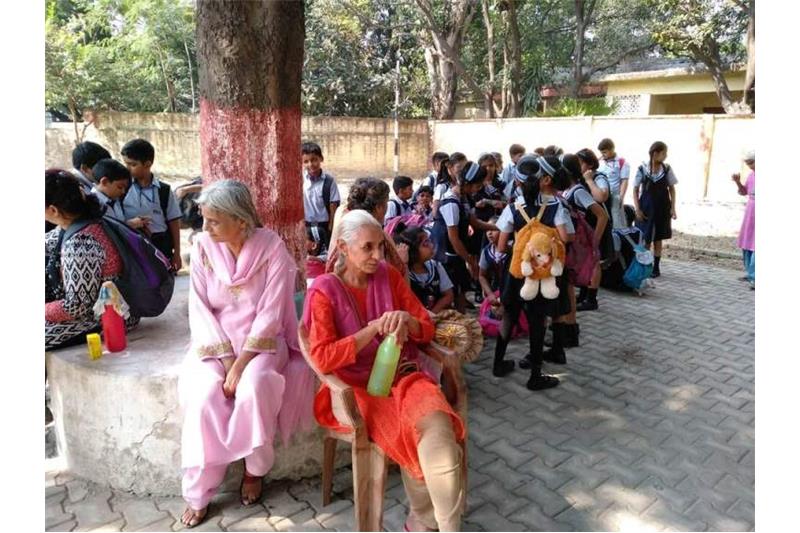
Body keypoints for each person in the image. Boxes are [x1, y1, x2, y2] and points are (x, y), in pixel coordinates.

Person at [303, 209, 466, 532]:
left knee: (438, 430)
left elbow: (426, 329)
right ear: (344, 248)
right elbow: (322, 358)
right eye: (368, 248)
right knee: (416, 436)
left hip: (404, 376)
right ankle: (424, 520)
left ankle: (438, 525)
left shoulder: (389, 277)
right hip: (357, 390)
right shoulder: (323, 291)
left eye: (381, 246)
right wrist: (372, 330)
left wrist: (408, 321)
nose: (378, 255)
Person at [178, 180, 314, 527]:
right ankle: (200, 489)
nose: (204, 227)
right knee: (206, 395)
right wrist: (225, 360)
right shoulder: (204, 247)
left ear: (240, 220)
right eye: (204, 219)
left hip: (262, 344)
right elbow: (200, 308)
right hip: (215, 342)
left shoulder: (272, 248)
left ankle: (255, 470)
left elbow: (271, 313)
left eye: (213, 220)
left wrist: (240, 364)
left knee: (254, 388)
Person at [493, 155, 573, 386]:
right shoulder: (554, 204)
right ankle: (535, 376)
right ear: (541, 181)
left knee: (509, 314)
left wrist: (520, 247)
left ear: (517, 183)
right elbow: (565, 238)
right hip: (542, 272)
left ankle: (498, 363)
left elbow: (500, 245)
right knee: (537, 320)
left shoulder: (512, 207)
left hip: (517, 271)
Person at [45, 169, 140, 350]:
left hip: (109, 317)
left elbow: (77, 306)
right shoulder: (82, 222)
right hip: (104, 309)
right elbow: (47, 243)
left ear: (53, 210)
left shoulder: (80, 244)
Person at [430, 162, 497, 313]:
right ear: (467, 183)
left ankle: (462, 323)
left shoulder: (464, 198)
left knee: (460, 290)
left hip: (457, 252)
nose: (479, 188)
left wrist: (498, 227)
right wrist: (470, 261)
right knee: (449, 292)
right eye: (478, 185)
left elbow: (474, 222)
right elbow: (454, 239)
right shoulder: (450, 203)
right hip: (446, 254)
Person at [559, 154, 609, 348]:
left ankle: (588, 301)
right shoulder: (567, 190)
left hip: (582, 240)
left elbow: (601, 215)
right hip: (575, 241)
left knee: (582, 274)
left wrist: (593, 240)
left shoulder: (578, 191)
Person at [120, 138, 183, 272]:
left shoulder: (164, 191)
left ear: (147, 164)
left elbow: (173, 222)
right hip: (133, 244)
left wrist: (177, 253)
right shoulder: (122, 189)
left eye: (132, 164)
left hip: (160, 244)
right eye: (126, 163)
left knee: (163, 284)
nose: (127, 168)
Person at [326, 177, 408, 275]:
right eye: (386, 203)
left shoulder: (342, 214)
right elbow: (400, 278)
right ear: (379, 207)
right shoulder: (380, 238)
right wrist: (404, 262)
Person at [573, 149, 613, 312]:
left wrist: (589, 180)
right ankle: (583, 293)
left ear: (589, 164)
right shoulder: (579, 179)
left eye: (580, 163)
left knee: (595, 261)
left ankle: (591, 298)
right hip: (586, 225)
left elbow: (601, 196)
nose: (578, 166)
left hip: (598, 225)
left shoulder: (599, 177)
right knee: (586, 261)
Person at [632, 141, 678, 278]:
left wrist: (673, 208)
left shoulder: (667, 169)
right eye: (664, 153)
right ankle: (645, 264)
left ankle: (656, 267)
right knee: (646, 237)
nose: (666, 156)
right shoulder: (642, 169)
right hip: (646, 208)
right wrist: (637, 209)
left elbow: (672, 189)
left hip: (662, 207)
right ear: (655, 153)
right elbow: (635, 190)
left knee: (658, 237)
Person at [395, 225, 455, 313]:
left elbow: (449, 295)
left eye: (429, 241)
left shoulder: (435, 266)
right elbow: (405, 299)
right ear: (412, 251)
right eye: (425, 244)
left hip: (436, 315)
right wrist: (404, 264)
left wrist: (432, 314)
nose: (431, 245)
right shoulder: (403, 272)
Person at [302, 142, 341, 239]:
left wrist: (332, 226)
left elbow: (333, 205)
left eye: (314, 160)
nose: (310, 164)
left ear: (321, 159)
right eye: (306, 161)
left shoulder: (329, 181)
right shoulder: (300, 180)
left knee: (327, 251)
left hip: (324, 225)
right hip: (306, 225)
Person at [733, 150, 755, 289]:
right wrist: (737, 182)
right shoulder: (752, 175)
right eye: (747, 163)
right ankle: (750, 272)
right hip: (750, 211)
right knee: (747, 241)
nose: (749, 166)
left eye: (751, 162)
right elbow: (743, 192)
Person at [597, 138, 631, 229]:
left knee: (617, 220)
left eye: (605, 152)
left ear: (612, 149)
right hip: (602, 195)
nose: (603, 155)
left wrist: (621, 196)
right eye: (601, 153)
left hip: (614, 195)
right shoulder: (599, 162)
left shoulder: (621, 162)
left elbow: (624, 180)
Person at [90, 158, 131, 223]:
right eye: (120, 187)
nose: (123, 192)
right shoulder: (93, 205)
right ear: (104, 182)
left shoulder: (113, 200)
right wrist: (129, 225)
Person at [432, 152, 467, 217]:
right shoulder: (442, 187)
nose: (462, 170)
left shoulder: (465, 186)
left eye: (465, 167)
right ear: (450, 168)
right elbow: (435, 212)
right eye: (459, 167)